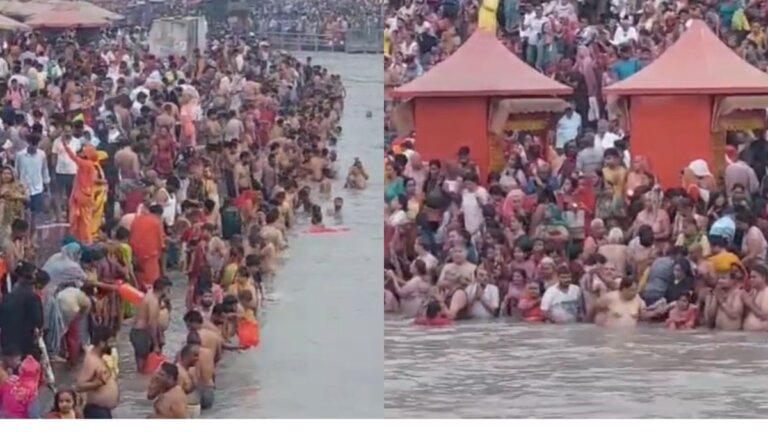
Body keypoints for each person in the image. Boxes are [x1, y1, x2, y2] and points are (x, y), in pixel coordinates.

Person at [74, 325, 118, 419]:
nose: (113, 345)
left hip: (102, 412)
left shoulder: (99, 358)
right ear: (102, 343)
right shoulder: (91, 360)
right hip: (97, 412)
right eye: (110, 342)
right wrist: (97, 383)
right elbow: (79, 386)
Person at [130, 277, 171, 373]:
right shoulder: (153, 302)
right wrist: (156, 344)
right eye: (168, 289)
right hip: (141, 334)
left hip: (138, 333)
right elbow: (152, 324)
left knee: (145, 367)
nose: (169, 292)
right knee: (142, 368)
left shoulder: (151, 295)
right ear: (164, 289)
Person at [129, 204, 166, 289]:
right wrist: (163, 271)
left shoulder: (136, 220)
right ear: (159, 214)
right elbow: (162, 245)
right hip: (151, 258)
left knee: (139, 284)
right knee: (152, 285)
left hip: (136, 257)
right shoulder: (157, 222)